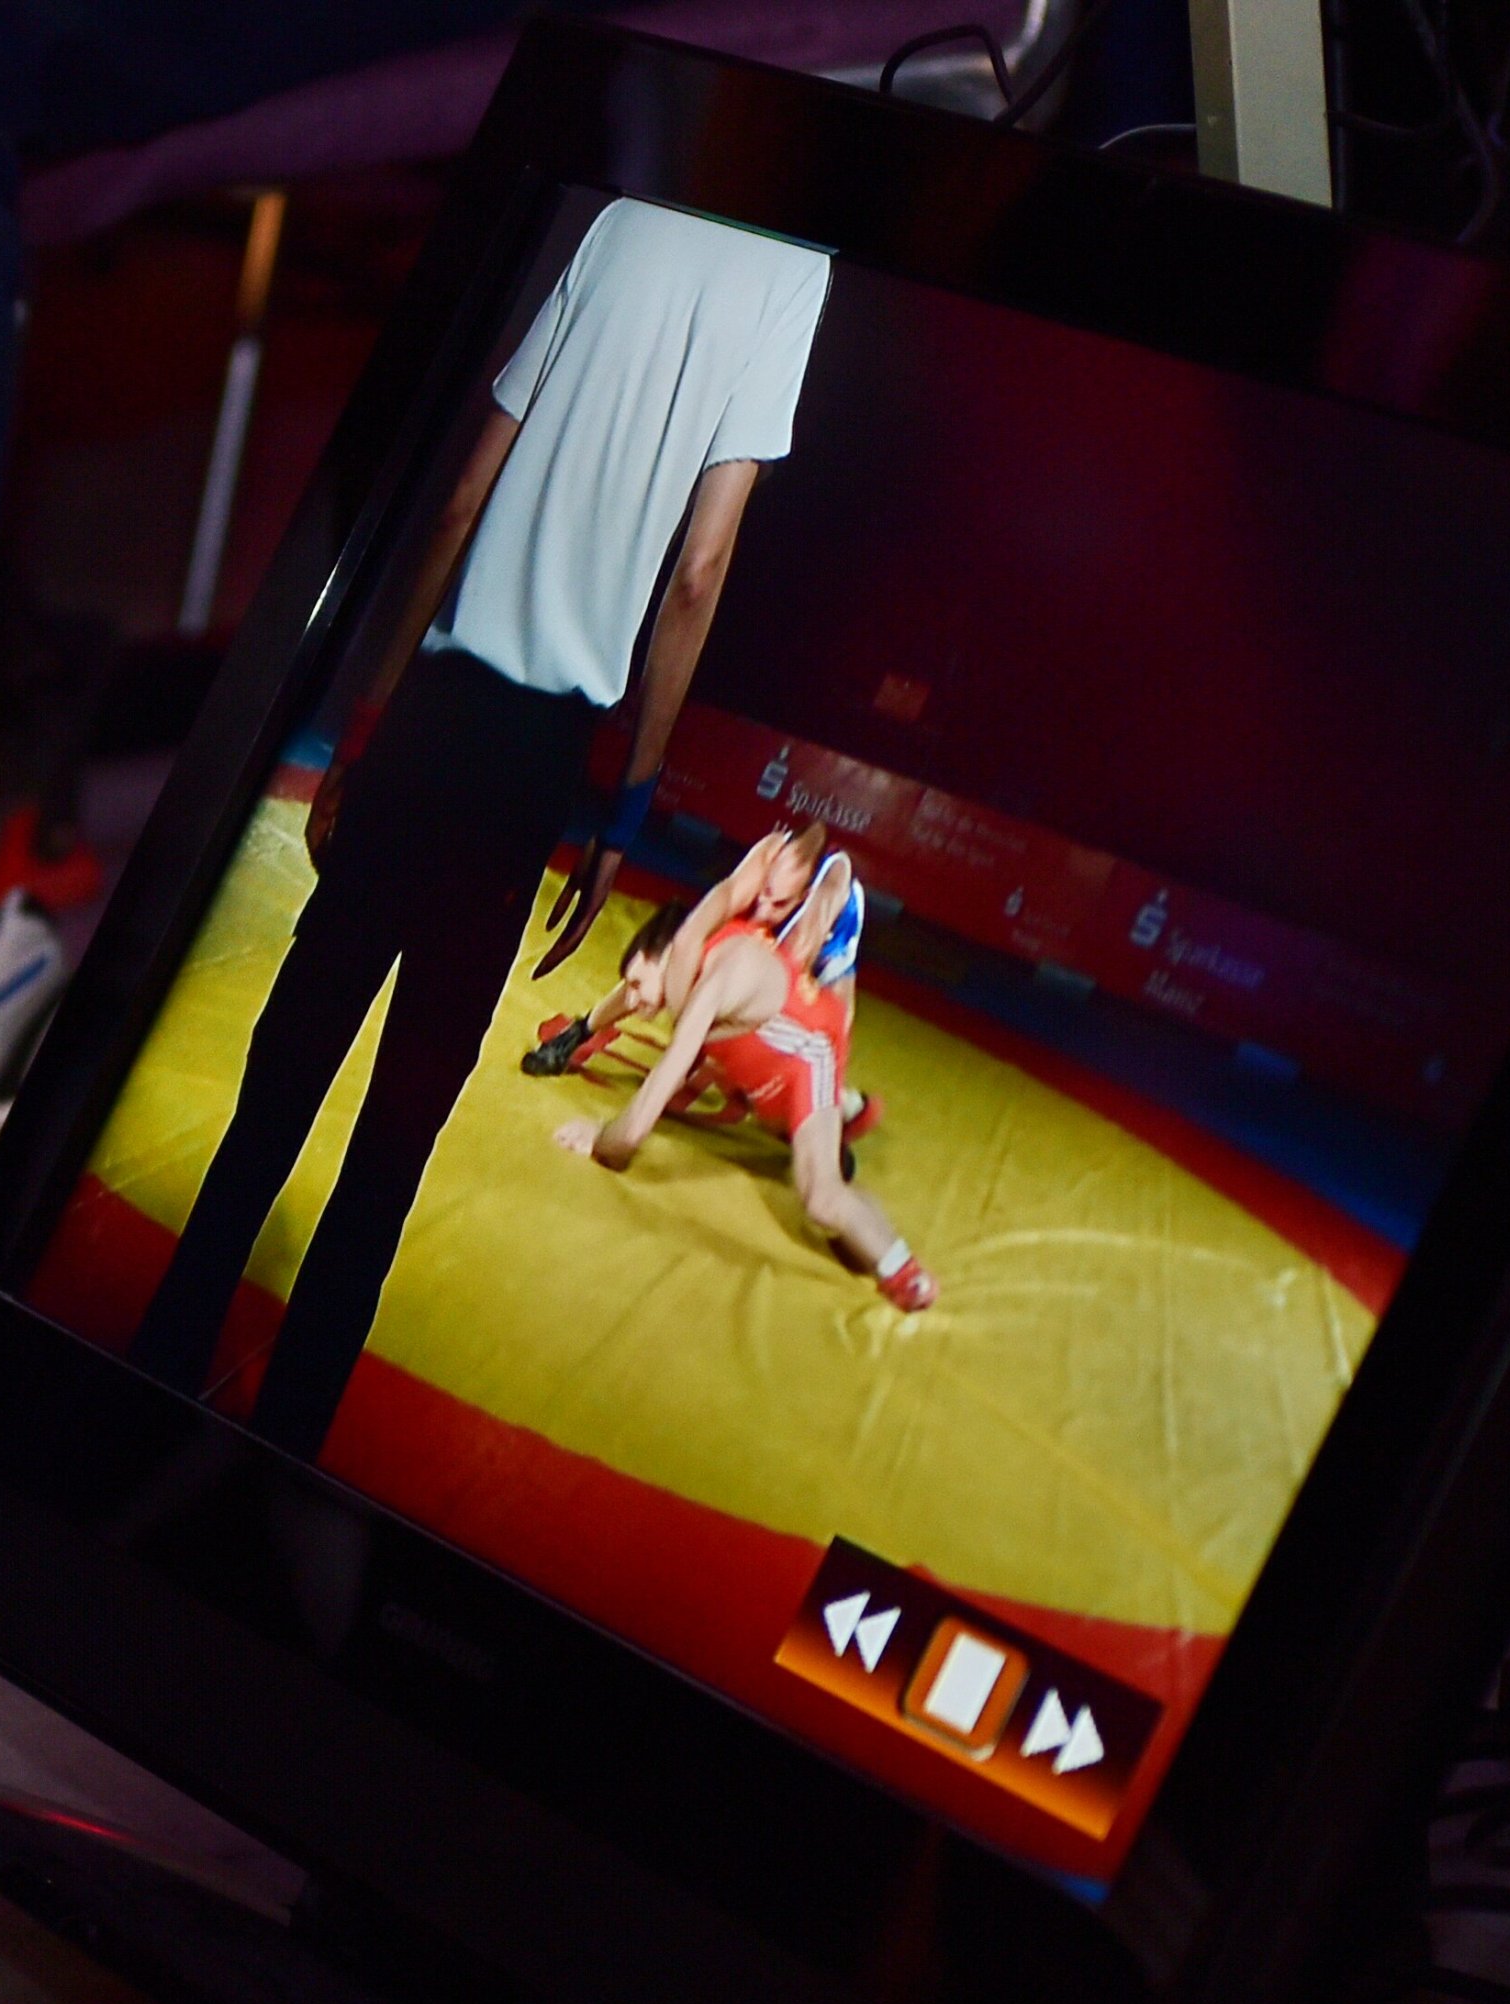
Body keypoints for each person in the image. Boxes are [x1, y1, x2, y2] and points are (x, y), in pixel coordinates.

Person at [0, 0, 612, 1450]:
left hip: (473, 721)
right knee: (390, 1088)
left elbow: (526, 522)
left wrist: (380, 701)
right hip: (535, 744)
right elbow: (682, 571)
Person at [129, 196, 831, 1456]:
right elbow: (699, 569)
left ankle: (145, 1375)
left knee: (283, 1073)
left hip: (431, 716)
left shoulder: (624, 216)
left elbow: (461, 497)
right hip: (533, 766)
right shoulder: (791, 273)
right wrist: (626, 806)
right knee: (397, 1137)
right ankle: (281, 1455)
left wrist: (365, 724)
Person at [554, 875, 937, 1312]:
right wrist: (583, 1028)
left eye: (637, 983)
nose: (635, 1002)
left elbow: (632, 1132)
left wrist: (600, 1138)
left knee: (822, 1196)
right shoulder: (692, 960)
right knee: (744, 1091)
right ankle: (844, 1114)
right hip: (770, 1049)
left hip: (809, 1053)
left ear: (668, 954)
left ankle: (906, 1274)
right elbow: (636, 990)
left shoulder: (714, 979)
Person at [525, 822, 883, 1145]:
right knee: (664, 966)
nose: (762, 911)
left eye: (777, 904)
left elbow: (769, 1006)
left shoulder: (821, 906)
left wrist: (699, 1039)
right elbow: (690, 935)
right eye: (764, 894)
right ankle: (581, 1030)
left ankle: (842, 1110)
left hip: (825, 946)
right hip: (774, 922)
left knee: (802, 1058)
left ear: (802, 895)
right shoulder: (763, 863)